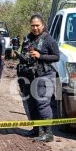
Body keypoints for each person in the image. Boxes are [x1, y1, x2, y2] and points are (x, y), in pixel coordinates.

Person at [17, 14, 59, 142]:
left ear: (43, 25)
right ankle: (37, 130)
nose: (35, 28)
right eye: (32, 26)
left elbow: (56, 57)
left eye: (37, 25)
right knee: (31, 104)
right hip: (29, 76)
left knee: (43, 104)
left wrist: (40, 56)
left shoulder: (48, 39)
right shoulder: (28, 38)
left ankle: (48, 133)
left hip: (44, 76)